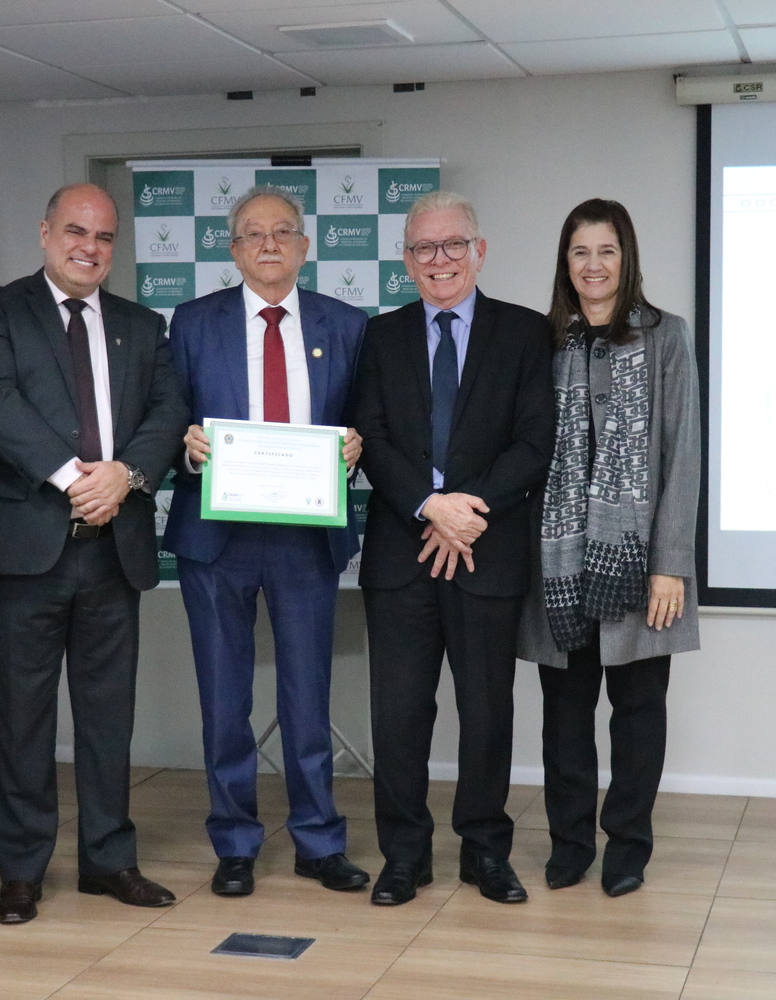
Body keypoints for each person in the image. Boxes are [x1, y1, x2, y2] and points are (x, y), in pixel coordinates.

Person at [0, 183, 187, 923]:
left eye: (105, 237)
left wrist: (126, 476)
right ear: (45, 232)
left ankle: (108, 860)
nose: (90, 247)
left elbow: (167, 412)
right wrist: (73, 479)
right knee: (21, 717)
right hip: (28, 546)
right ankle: (21, 870)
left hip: (111, 547)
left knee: (107, 716)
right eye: (76, 232)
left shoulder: (144, 324)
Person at [165, 185, 370, 897]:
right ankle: (235, 843)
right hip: (216, 536)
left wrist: (356, 447)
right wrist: (186, 447)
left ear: (306, 246)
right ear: (234, 249)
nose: (270, 243)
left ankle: (318, 840)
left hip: (306, 536)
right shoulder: (191, 323)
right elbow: (163, 422)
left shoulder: (348, 324)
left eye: (284, 231)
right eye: (253, 234)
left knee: (307, 696)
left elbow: (370, 420)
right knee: (224, 699)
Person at [353, 191, 556, 906]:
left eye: (451, 245)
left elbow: (536, 441)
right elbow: (370, 437)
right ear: (406, 260)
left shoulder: (527, 334)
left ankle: (484, 852)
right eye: (421, 249)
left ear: (480, 249)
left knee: (487, 712)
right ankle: (404, 855)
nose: (437, 261)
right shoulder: (378, 337)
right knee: (400, 715)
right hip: (400, 555)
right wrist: (429, 506)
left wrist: (467, 511)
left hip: (486, 549)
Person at [517, 198, 700, 898]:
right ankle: (570, 844)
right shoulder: (543, 342)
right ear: (565, 264)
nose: (594, 266)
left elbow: (683, 455)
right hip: (557, 565)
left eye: (607, 252)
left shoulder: (665, 337)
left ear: (628, 260)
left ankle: (628, 845)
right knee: (563, 716)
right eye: (580, 253)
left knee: (637, 714)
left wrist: (670, 565)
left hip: (640, 565)